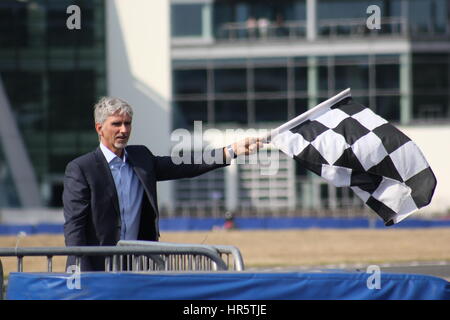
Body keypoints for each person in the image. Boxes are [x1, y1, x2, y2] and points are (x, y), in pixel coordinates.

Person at [63, 97, 262, 271]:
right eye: (116, 124)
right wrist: (80, 272)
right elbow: (75, 226)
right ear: (99, 128)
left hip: (139, 267)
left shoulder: (142, 158)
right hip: (97, 270)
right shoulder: (81, 168)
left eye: (128, 123)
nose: (124, 130)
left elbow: (186, 165)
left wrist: (231, 150)